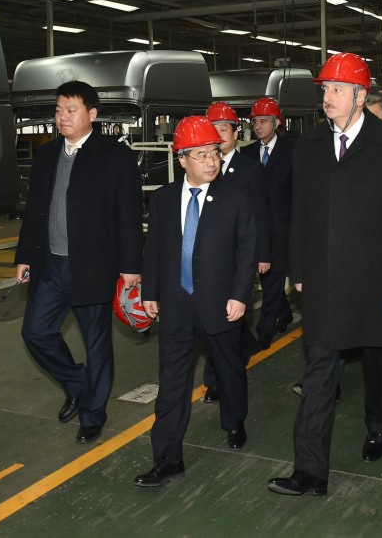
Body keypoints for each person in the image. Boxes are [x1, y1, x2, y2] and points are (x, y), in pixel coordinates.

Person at [268, 52, 382, 497]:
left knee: (376, 362)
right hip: (324, 280)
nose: (326, 98)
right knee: (319, 371)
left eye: (335, 90)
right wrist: (298, 268)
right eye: (324, 90)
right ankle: (310, 470)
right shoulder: (311, 145)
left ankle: (378, 426)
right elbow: (300, 214)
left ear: (359, 96)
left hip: (377, 280)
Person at [14, 80, 143, 446]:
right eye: (58, 110)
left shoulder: (114, 156)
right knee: (35, 332)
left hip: (93, 267)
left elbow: (129, 215)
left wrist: (131, 265)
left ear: (92, 114)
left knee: (96, 343)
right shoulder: (47, 154)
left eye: (71, 110)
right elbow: (34, 212)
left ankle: (92, 415)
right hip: (51, 266)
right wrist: (24, 256)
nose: (62, 117)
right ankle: (78, 384)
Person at [134, 116, 257, 487]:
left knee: (229, 371)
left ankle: (234, 421)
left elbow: (247, 249)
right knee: (171, 383)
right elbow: (154, 247)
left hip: (221, 305)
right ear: (182, 158)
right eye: (201, 155)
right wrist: (151, 291)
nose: (211, 161)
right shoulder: (165, 198)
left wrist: (240, 296)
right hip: (175, 305)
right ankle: (168, 457)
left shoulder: (236, 197)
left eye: (215, 154)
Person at [201, 101, 271, 403]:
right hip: (210, 260)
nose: (218, 135)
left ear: (235, 132)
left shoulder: (249, 169)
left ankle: (220, 375)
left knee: (231, 316)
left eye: (223, 129)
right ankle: (220, 371)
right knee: (214, 320)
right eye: (213, 130)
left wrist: (263, 255)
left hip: (240, 258)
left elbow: (261, 215)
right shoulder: (202, 167)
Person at [241, 98, 293, 350]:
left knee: (273, 277)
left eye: (263, 121)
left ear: (276, 123)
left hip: (283, 227)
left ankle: (265, 330)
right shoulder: (247, 153)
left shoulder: (292, 152)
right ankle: (284, 313)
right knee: (270, 276)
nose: (258, 126)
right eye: (255, 122)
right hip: (256, 227)